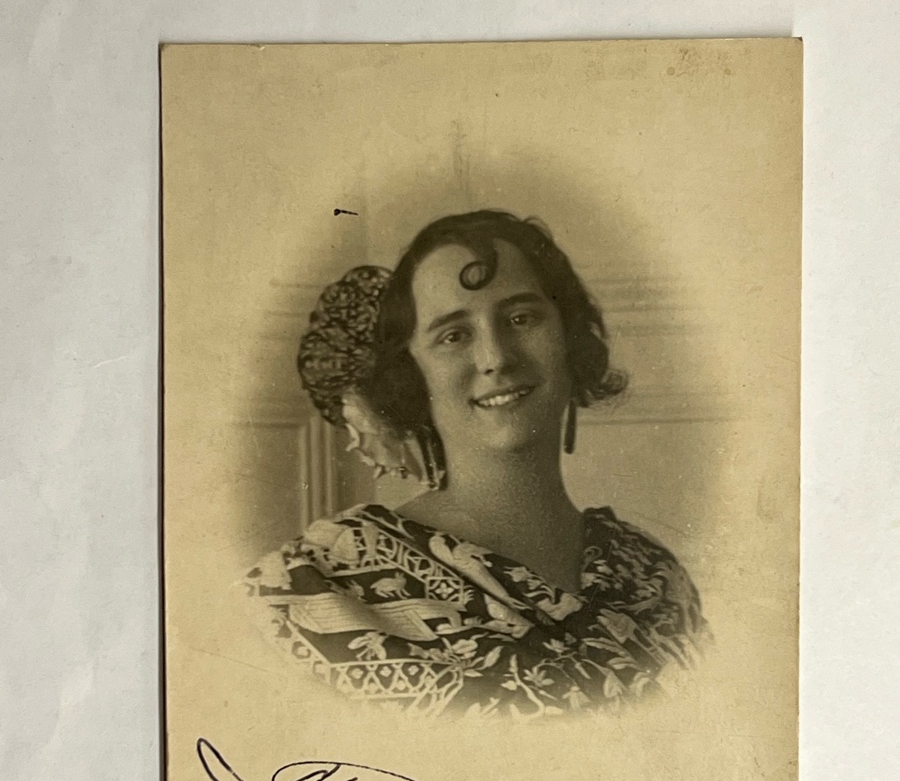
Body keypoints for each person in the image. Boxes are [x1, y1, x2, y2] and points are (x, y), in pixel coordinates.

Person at [244, 210, 708, 718]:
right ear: (411, 375)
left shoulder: (652, 576)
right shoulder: (324, 583)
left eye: (520, 318)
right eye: (453, 335)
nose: (495, 357)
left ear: (569, 340)